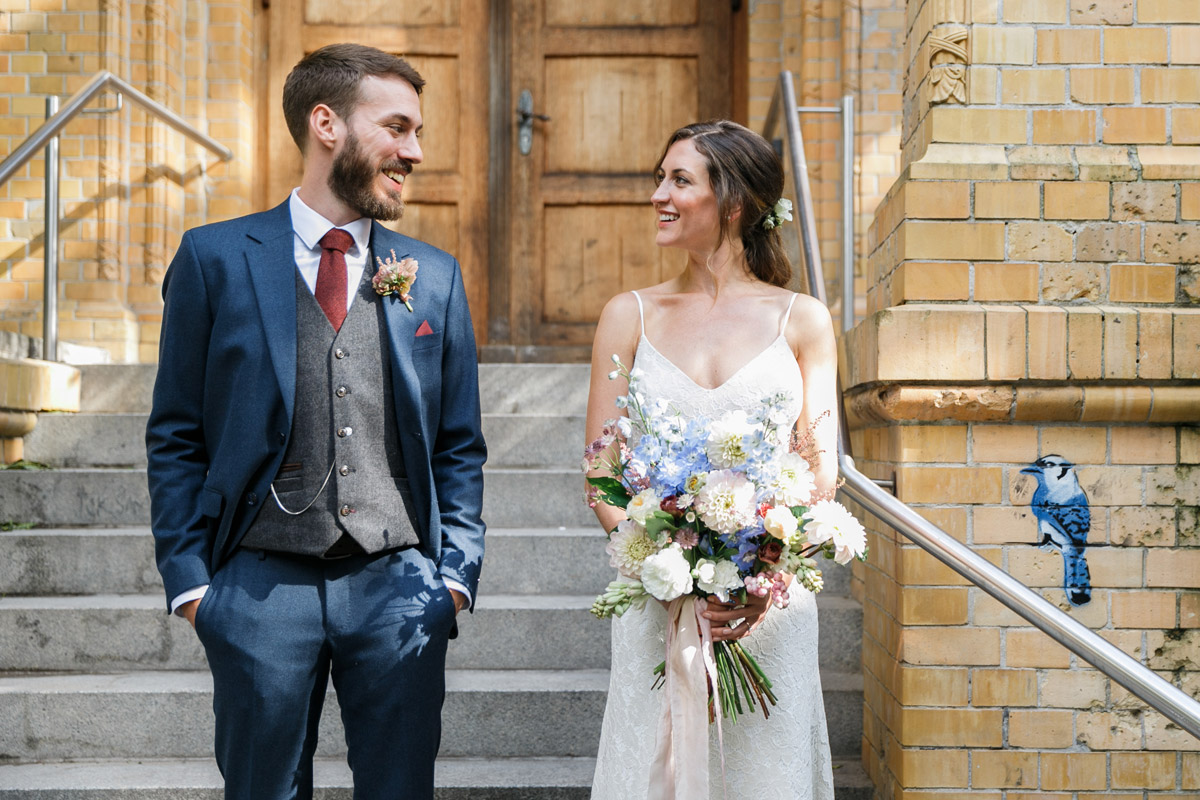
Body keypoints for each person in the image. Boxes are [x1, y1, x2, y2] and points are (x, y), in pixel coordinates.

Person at [145, 43, 486, 800]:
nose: (415, 151)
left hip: (399, 581)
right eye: (396, 127)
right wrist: (193, 584)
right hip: (257, 585)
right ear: (325, 123)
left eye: (417, 131)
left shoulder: (433, 275)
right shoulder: (214, 258)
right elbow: (174, 433)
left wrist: (454, 576)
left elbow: (459, 443)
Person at [585, 120, 839, 798]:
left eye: (679, 180)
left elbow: (819, 472)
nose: (656, 195)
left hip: (769, 611)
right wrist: (670, 569)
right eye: (659, 177)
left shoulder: (803, 320)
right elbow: (603, 473)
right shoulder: (628, 315)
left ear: (733, 203)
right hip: (659, 604)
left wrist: (757, 579)